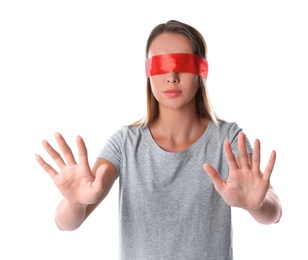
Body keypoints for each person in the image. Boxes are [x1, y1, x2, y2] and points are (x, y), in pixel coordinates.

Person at [35, 20, 282, 260]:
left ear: (201, 70)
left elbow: (274, 211)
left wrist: (256, 205)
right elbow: (65, 223)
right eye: (161, 65)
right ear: (148, 72)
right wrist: (75, 202)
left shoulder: (228, 138)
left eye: (182, 64)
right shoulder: (125, 144)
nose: (172, 76)